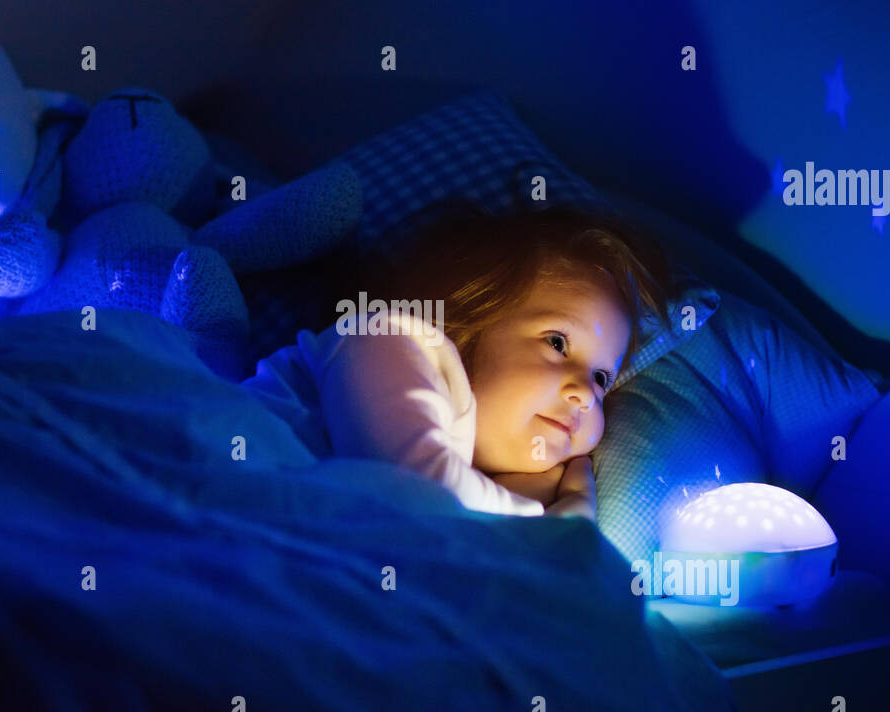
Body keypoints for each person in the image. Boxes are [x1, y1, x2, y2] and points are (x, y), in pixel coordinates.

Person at [243, 199, 672, 520]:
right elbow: (418, 497)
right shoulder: (386, 338)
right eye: (557, 343)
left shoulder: (480, 475)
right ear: (468, 315)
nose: (585, 395)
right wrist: (558, 511)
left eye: (601, 377)